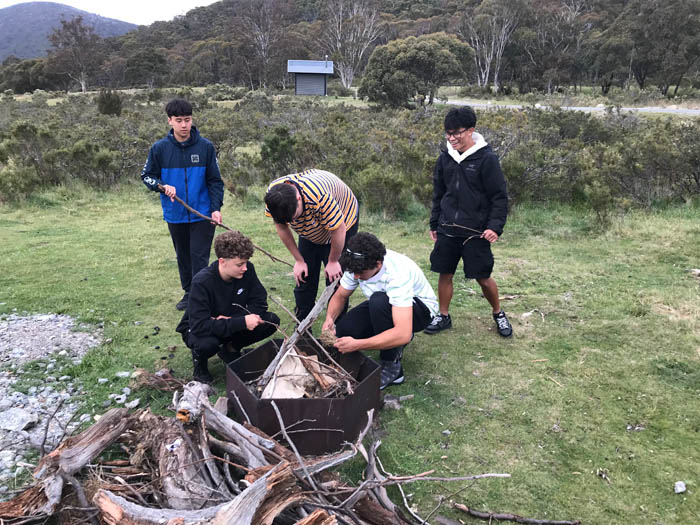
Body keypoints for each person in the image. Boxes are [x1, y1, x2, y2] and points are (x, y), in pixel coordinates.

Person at [425, 106, 512, 338]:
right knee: (445, 273)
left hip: (476, 232)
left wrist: (495, 227)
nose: (451, 138)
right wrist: (434, 223)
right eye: (448, 133)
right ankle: (443, 316)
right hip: (447, 228)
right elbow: (439, 193)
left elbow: (499, 197)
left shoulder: (487, 159)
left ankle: (498, 313)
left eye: (457, 133)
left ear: (471, 130)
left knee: (483, 277)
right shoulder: (445, 157)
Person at [322, 232, 438, 390]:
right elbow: (340, 296)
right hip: (384, 305)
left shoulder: (397, 274)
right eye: (353, 272)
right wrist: (330, 318)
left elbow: (402, 333)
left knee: (378, 302)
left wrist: (357, 345)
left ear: (378, 264)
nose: (355, 277)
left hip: (420, 310)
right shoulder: (356, 263)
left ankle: (392, 367)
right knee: (344, 330)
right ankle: (390, 337)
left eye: (360, 273)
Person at [141, 98, 224, 311]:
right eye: (179, 120)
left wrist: (215, 208)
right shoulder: (159, 149)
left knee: (199, 256)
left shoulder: (206, 147)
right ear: (170, 121)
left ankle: (200, 296)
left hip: (202, 213)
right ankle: (189, 292)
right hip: (175, 213)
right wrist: (162, 186)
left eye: (187, 120)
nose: (184, 125)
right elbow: (147, 176)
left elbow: (215, 181)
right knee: (183, 256)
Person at [176, 231, 280, 384]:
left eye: (246, 262)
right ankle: (200, 363)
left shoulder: (247, 271)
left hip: (229, 320)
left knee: (271, 321)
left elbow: (260, 302)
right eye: (239, 264)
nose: (245, 268)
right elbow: (199, 325)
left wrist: (235, 320)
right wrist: (241, 322)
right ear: (222, 261)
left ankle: (230, 349)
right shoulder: (202, 282)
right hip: (201, 329)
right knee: (207, 344)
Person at [264, 169, 359, 321]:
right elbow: (281, 227)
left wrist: (333, 261)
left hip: (343, 219)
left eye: (294, 217)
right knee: (304, 276)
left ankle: (336, 325)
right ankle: (303, 324)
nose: (292, 223)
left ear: (298, 198)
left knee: (335, 278)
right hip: (310, 225)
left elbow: (338, 229)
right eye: (289, 221)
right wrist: (299, 260)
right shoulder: (273, 196)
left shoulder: (319, 197)